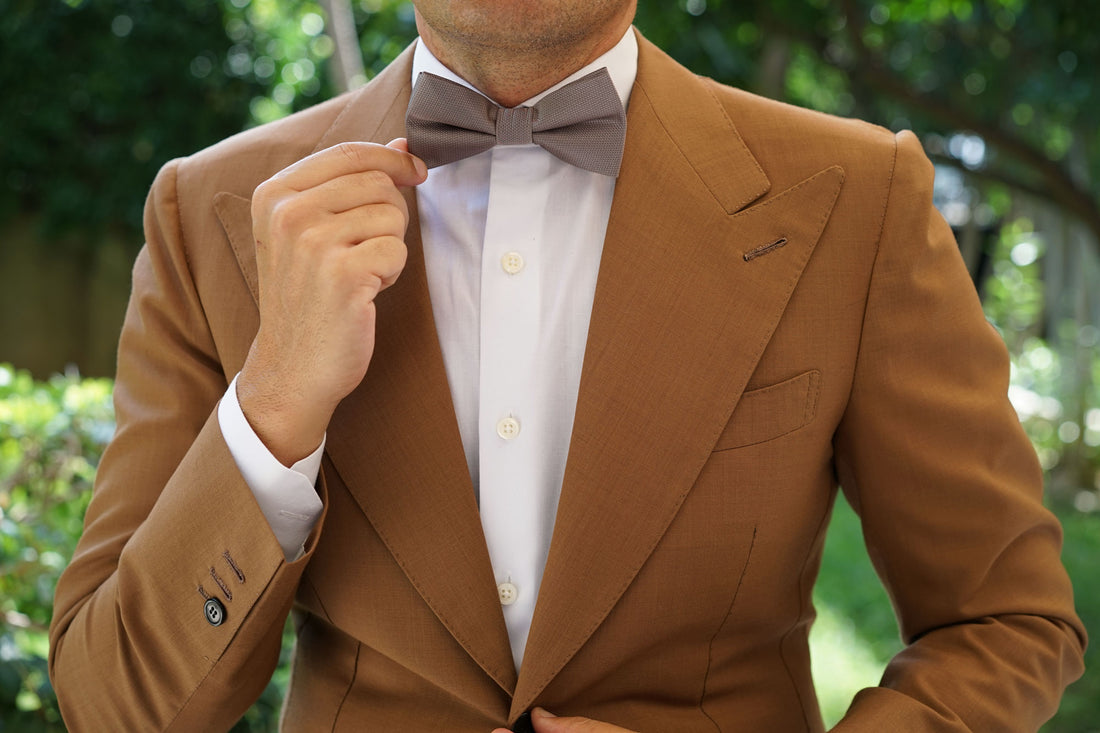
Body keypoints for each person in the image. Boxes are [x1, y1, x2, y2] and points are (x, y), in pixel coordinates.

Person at [49, 1, 1085, 731]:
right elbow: (117, 703)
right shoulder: (210, 214)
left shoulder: (857, 198)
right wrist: (277, 395)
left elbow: (1004, 621)